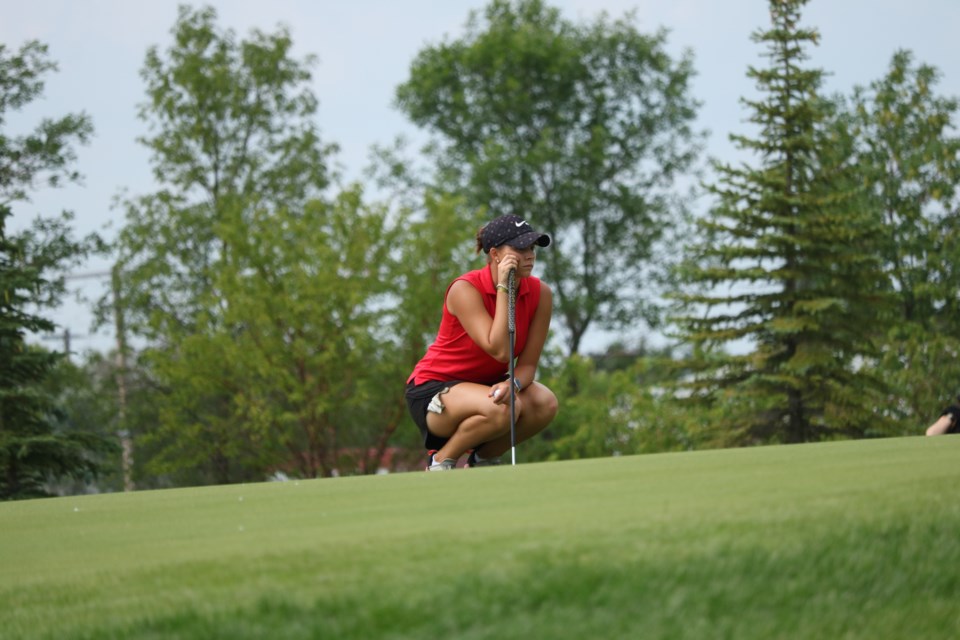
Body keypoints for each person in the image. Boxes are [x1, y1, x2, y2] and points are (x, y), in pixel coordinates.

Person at [405, 214, 559, 470]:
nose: (530, 255)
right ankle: (441, 461)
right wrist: (503, 287)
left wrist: (514, 383)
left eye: (532, 247)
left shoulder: (541, 294)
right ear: (496, 254)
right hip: (435, 391)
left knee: (545, 403)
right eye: (519, 248)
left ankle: (482, 459)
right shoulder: (464, 289)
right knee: (504, 409)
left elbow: (528, 365)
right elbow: (499, 350)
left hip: (485, 388)